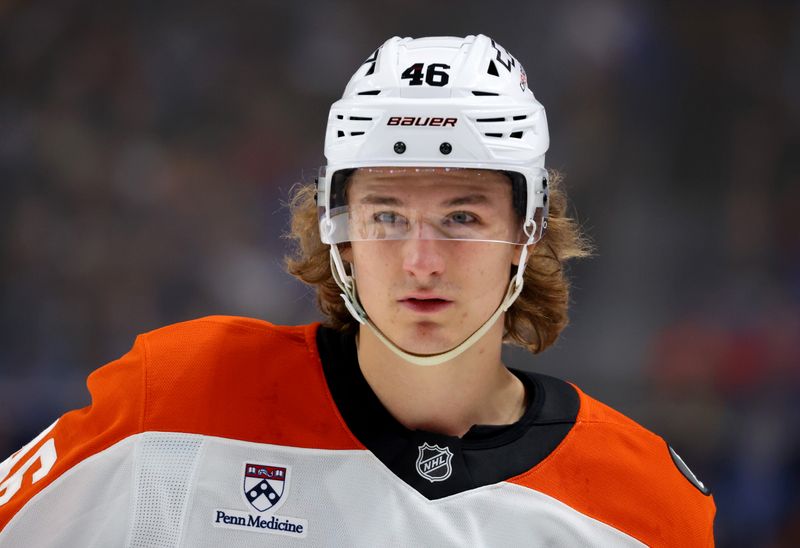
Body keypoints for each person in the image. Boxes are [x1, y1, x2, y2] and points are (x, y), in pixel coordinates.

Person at [0, 34, 715, 546]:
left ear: (529, 230)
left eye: (462, 217)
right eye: (387, 216)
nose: (422, 260)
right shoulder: (176, 402)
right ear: (337, 230)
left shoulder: (648, 505)